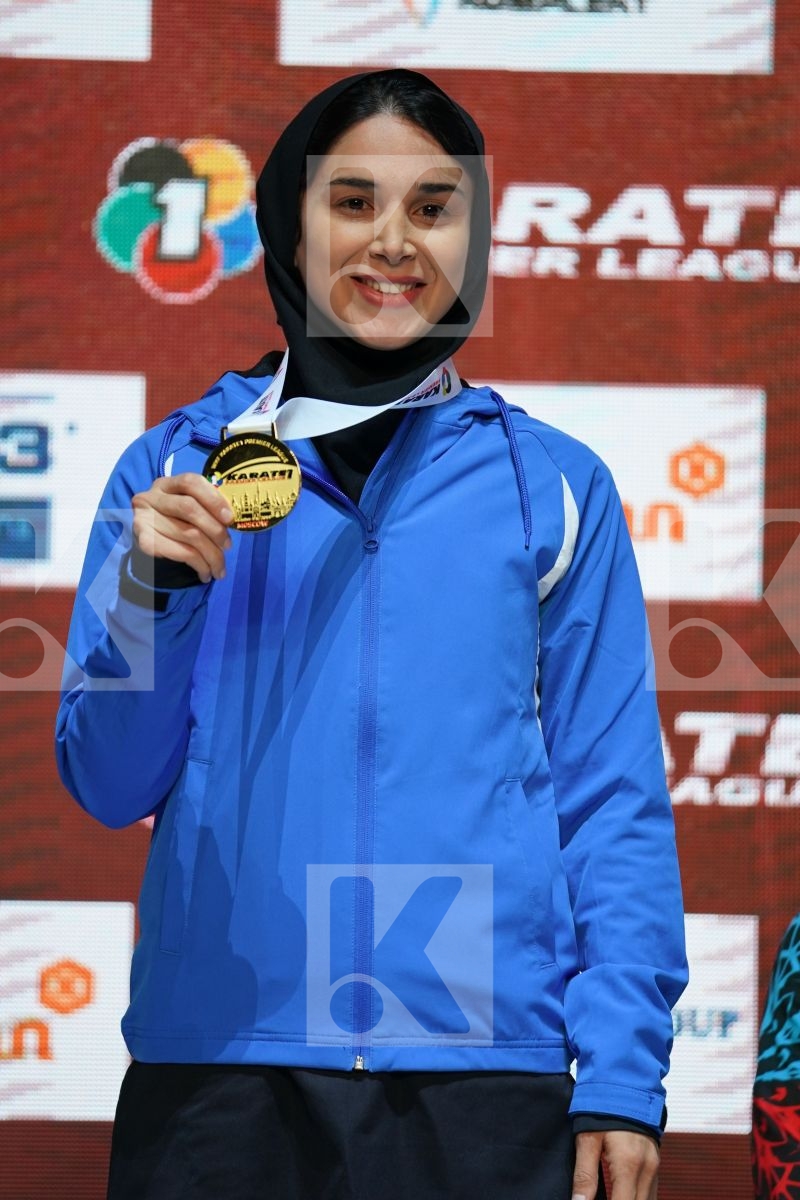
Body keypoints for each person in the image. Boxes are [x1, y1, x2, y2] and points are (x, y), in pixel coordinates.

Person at [56, 69, 687, 1200]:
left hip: (482, 1078)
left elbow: (612, 800)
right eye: (353, 201)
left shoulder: (552, 484)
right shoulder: (177, 470)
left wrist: (621, 1077)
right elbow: (108, 783)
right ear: (288, 228)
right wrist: (156, 598)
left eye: (433, 208)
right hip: (222, 1068)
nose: (393, 241)